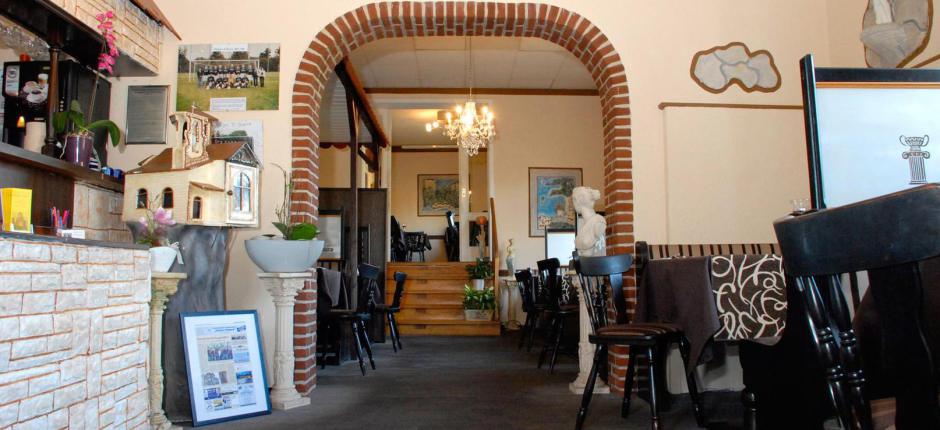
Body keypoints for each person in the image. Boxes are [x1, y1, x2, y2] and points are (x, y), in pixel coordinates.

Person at [572, 186, 606, 257]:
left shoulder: (598, 222)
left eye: (574, 200)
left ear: (579, 200)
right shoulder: (585, 223)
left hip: (593, 262)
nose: (573, 204)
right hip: (584, 262)